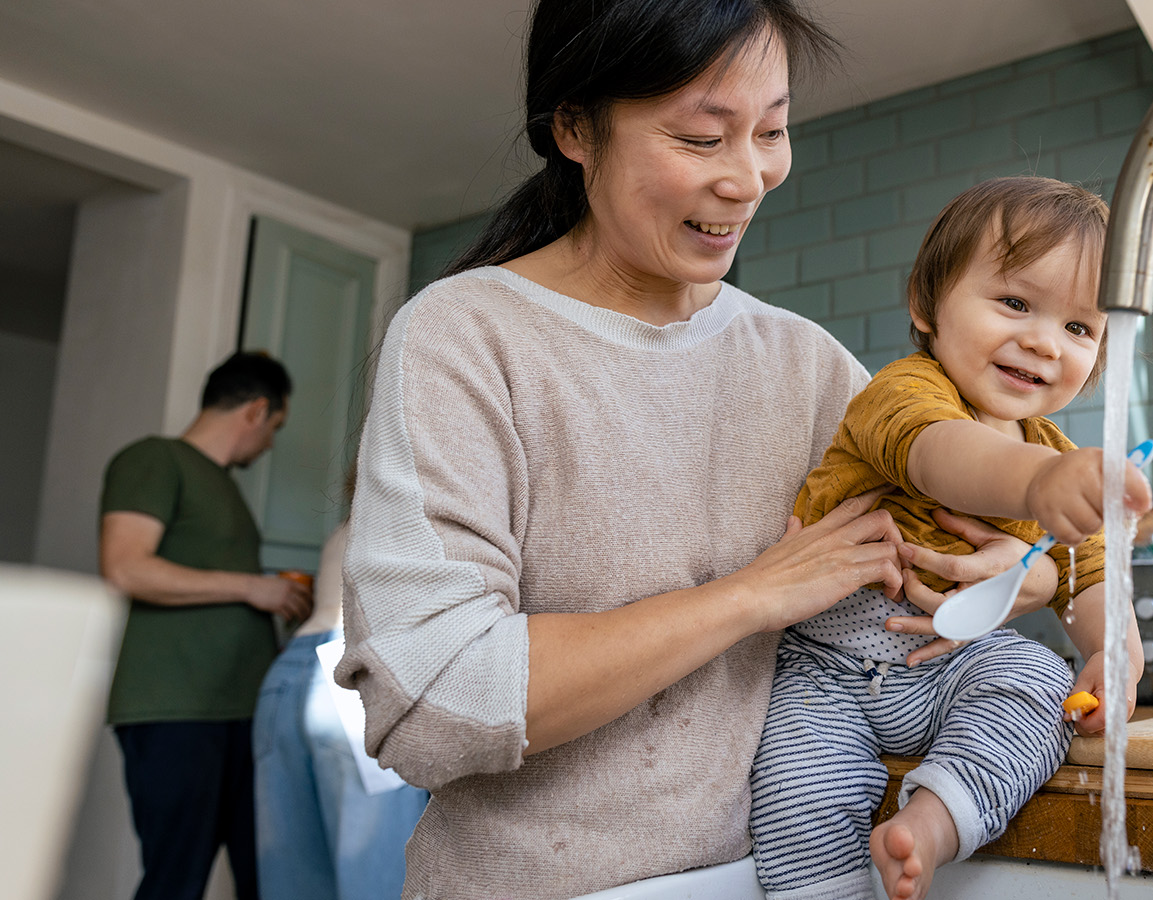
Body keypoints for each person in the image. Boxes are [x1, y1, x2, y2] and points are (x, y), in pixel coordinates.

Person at [331, 2, 1066, 898]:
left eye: (773, 132)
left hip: (762, 877)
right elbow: (428, 704)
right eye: (700, 138)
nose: (750, 179)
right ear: (574, 127)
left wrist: (1019, 577)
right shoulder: (467, 336)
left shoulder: (805, 363)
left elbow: (891, 617)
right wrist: (748, 597)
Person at [750, 177, 1153, 900]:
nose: (1042, 341)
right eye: (1016, 303)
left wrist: (1112, 651)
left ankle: (933, 825)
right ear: (927, 304)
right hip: (827, 670)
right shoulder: (903, 394)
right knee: (796, 787)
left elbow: (1089, 571)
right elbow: (940, 456)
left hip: (954, 669)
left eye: (1079, 328)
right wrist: (1039, 484)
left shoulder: (1052, 448)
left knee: (1038, 689)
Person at [98, 350, 310, 900]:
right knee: (177, 882)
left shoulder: (225, 489)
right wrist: (250, 587)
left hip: (240, 713)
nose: (269, 445)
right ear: (256, 410)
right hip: (177, 710)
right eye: (276, 428)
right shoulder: (154, 459)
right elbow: (126, 567)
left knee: (265, 878)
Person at [252, 502, 430, 900]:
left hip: (288, 673)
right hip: (355, 678)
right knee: (377, 880)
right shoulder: (423, 502)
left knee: (293, 877)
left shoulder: (358, 512)